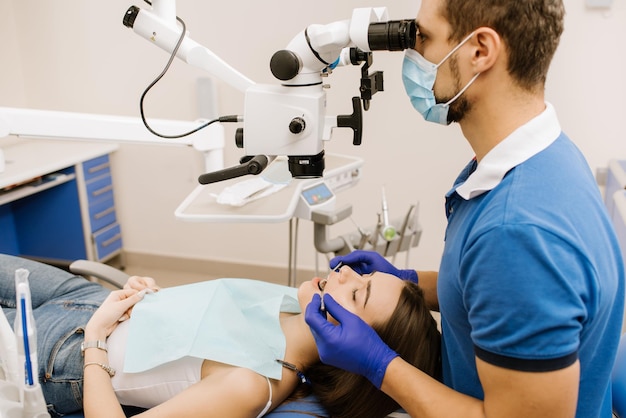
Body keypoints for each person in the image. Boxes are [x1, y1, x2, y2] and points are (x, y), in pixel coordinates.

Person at [305, 1, 625, 417]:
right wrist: (407, 278)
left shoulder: (516, 233)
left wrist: (378, 364)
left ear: (480, 51)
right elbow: (495, 293)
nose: (413, 56)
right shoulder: (546, 157)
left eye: (423, 38)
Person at [0, 254, 440, 418]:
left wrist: (96, 338)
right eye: (362, 272)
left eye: (358, 293)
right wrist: (147, 296)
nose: (343, 272)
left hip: (60, 354)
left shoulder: (252, 384)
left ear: (356, 348)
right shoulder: (296, 301)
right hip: (84, 297)